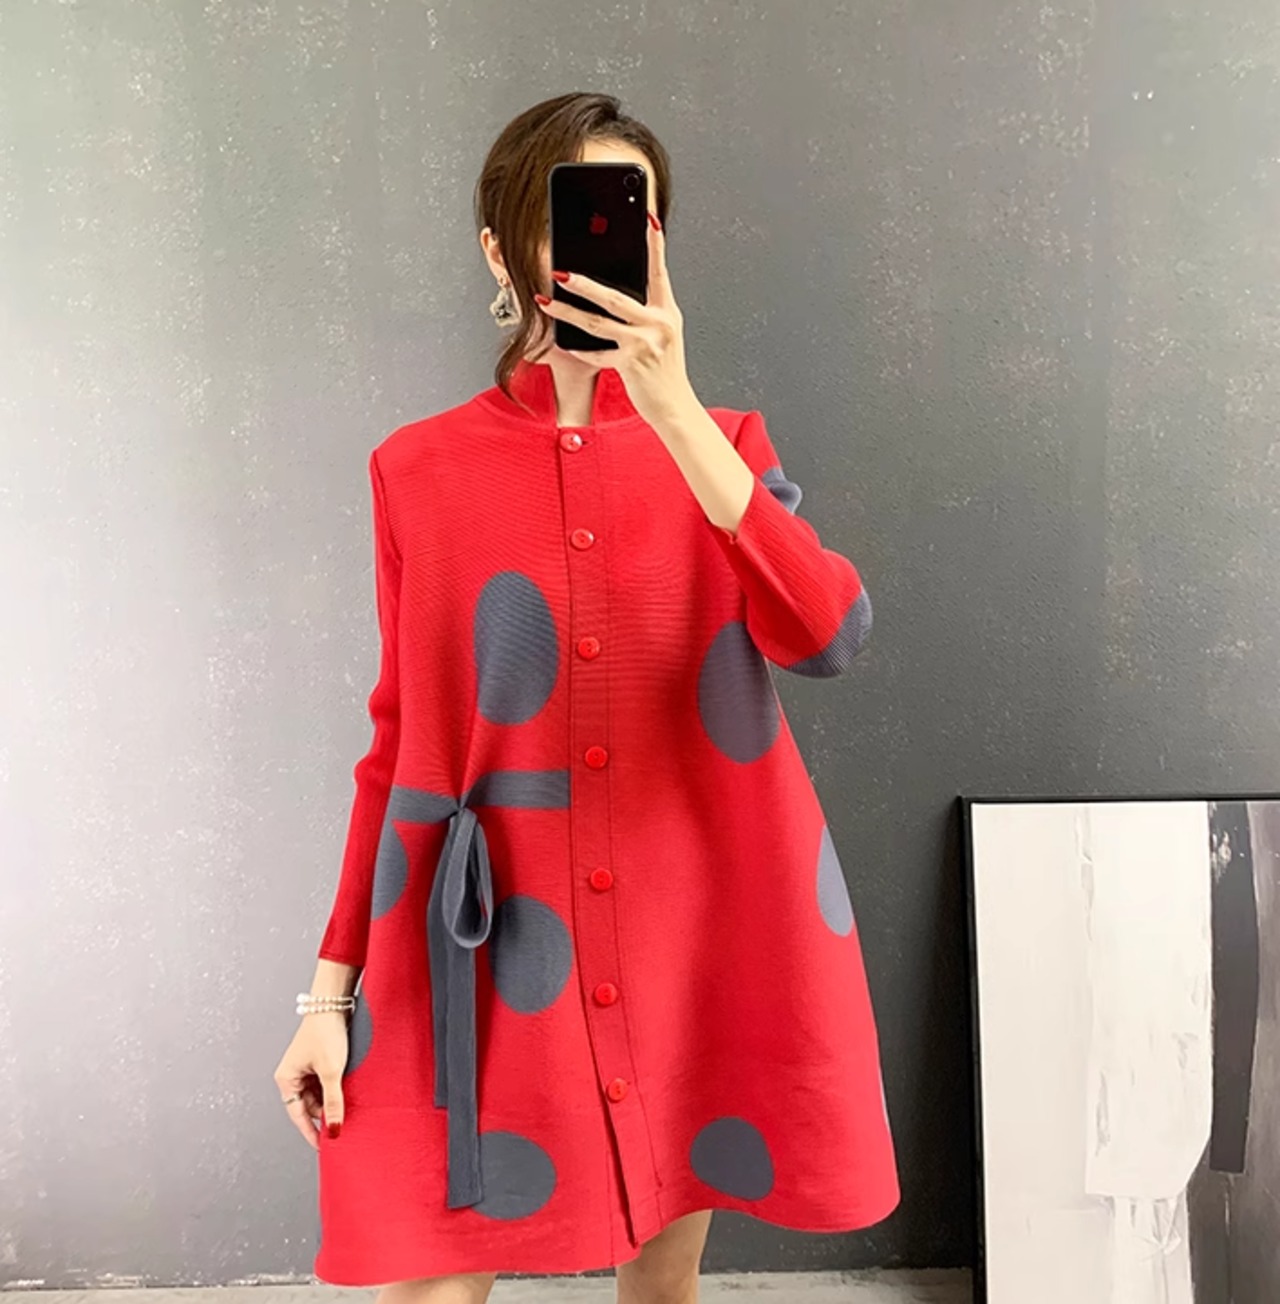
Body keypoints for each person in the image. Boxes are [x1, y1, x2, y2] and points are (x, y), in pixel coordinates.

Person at [273, 91, 899, 1304]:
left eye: (628, 216)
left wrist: (673, 409)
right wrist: (329, 992)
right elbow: (399, 741)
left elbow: (828, 633)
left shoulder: (720, 444)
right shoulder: (416, 468)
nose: (601, 245)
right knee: (430, 1273)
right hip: (485, 935)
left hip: (694, 924)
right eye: (565, 217)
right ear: (498, 251)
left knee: (661, 1280)